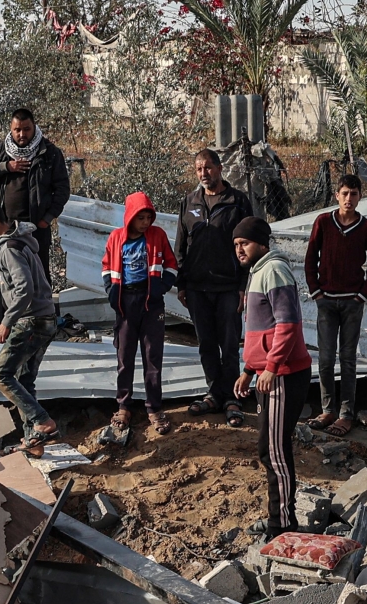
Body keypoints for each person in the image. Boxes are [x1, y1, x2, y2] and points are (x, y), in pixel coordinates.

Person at [233, 216, 311, 540]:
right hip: (270, 374)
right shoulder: (258, 272)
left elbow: (287, 324)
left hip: (284, 375)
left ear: (262, 243)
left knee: (273, 450)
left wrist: (270, 367)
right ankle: (278, 518)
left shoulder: (274, 270)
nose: (239, 250)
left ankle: (282, 526)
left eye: (244, 244)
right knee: (271, 448)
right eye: (235, 245)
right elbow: (261, 329)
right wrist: (249, 370)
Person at [0, 200, 59, 459]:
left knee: (1, 374)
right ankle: (34, 441)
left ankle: (41, 421)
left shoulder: (9, 248)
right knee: (24, 380)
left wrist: (6, 321)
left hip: (31, 320)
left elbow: (24, 288)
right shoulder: (22, 243)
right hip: (46, 320)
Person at [175, 148, 253, 427]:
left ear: (219, 168)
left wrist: (244, 285)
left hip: (229, 286)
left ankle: (233, 398)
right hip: (197, 288)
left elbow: (249, 246)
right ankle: (214, 394)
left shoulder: (237, 201)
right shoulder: (189, 202)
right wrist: (181, 284)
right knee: (206, 344)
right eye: (198, 169)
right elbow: (180, 248)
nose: (203, 173)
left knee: (229, 345)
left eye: (208, 167)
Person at [304, 174, 367, 438]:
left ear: (361, 197)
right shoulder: (324, 222)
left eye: (354, 194)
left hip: (352, 302)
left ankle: (346, 414)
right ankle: (327, 410)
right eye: (345, 193)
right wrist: (316, 292)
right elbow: (310, 257)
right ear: (337, 195)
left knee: (347, 360)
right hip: (326, 301)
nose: (349, 199)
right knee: (325, 359)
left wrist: (363, 294)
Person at [102, 192, 177, 436]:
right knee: (124, 357)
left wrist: (160, 288)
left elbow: (172, 265)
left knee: (152, 357)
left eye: (148, 217)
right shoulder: (116, 238)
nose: (145, 222)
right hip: (125, 304)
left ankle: (154, 408)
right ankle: (123, 405)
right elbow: (106, 266)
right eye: (140, 217)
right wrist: (111, 292)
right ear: (129, 217)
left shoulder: (158, 236)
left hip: (151, 303)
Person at [0, 108, 70, 284]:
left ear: (34, 127)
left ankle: (45, 311)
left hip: (36, 228)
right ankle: (12, 310)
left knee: (39, 275)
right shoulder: (3, 150)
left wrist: (47, 218)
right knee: (11, 275)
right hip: (8, 226)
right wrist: (6, 167)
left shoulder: (49, 153)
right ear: (11, 129)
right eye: (17, 130)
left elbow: (63, 189)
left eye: (26, 129)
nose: (22, 134)